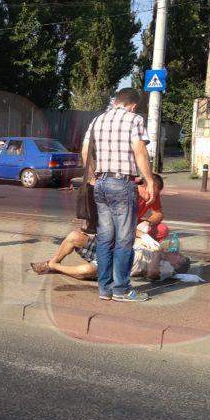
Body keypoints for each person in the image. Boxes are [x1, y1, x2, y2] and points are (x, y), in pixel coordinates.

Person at [82, 88, 158, 303]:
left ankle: (105, 289)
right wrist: (149, 180)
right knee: (124, 240)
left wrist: (91, 176)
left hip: (101, 183)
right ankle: (121, 290)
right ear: (133, 105)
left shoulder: (97, 120)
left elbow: (85, 150)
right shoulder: (134, 119)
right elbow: (140, 151)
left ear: (116, 101)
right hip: (122, 183)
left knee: (105, 239)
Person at [30, 228, 190, 282]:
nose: (176, 252)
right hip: (112, 247)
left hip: (118, 264)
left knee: (87, 271)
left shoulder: (168, 268)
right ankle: (53, 262)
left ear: (177, 265)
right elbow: (131, 230)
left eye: (179, 256)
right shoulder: (155, 245)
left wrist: (157, 254)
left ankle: (53, 266)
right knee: (74, 236)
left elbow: (152, 274)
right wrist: (143, 236)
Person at [137, 174, 169, 242]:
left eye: (156, 194)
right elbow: (123, 224)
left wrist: (148, 222)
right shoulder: (129, 193)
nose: (153, 197)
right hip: (121, 225)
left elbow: (158, 214)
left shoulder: (153, 194)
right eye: (152, 193)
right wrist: (142, 235)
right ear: (144, 186)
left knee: (162, 229)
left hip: (135, 223)